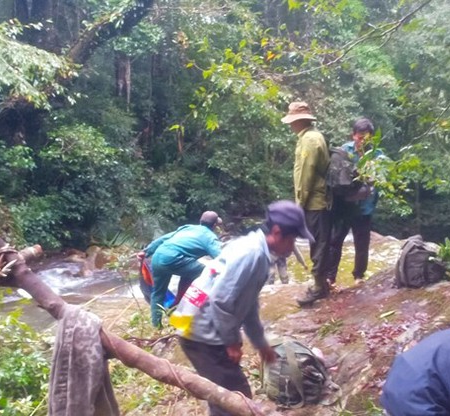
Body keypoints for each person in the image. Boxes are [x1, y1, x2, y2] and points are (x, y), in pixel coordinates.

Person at [178, 200, 313, 416]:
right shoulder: (253, 255)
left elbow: (248, 305)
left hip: (190, 319)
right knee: (234, 398)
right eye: (293, 239)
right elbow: (222, 300)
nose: (292, 246)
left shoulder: (254, 247)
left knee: (223, 393)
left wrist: (261, 344)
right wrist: (232, 342)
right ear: (277, 233)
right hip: (199, 330)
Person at [281, 101, 331, 306]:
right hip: (317, 201)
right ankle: (322, 282)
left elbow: (306, 175)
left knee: (318, 244)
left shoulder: (309, 140)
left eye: (292, 121)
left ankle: (319, 287)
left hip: (315, 202)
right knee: (317, 242)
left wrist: (299, 205)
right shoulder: (311, 136)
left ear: (299, 121)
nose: (290, 125)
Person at [137, 211, 222, 327]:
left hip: (158, 257)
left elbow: (163, 239)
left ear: (200, 221)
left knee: (158, 293)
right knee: (209, 272)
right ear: (214, 225)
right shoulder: (210, 237)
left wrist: (146, 251)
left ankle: (156, 326)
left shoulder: (187, 228)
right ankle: (185, 306)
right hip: (174, 259)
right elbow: (221, 258)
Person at [326, 117, 383, 285]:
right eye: (359, 137)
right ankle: (330, 277)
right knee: (335, 241)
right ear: (353, 136)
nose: (362, 141)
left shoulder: (377, 156)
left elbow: (379, 182)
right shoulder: (344, 151)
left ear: (371, 137)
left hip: (364, 206)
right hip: (344, 205)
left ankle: (359, 276)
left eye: (366, 138)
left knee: (361, 243)